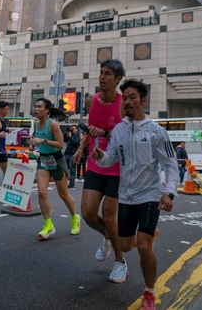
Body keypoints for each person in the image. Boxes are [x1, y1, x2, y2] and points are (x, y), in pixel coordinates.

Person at [90, 79, 179, 310]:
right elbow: (111, 159)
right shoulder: (119, 130)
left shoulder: (156, 132)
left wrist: (168, 192)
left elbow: (171, 165)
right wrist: (100, 156)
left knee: (143, 247)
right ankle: (150, 234)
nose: (127, 102)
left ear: (143, 101)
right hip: (126, 196)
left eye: (132, 97)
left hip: (149, 195)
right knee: (126, 246)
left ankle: (149, 293)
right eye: (125, 98)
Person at [72, 58, 128, 283]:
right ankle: (108, 236)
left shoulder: (124, 104)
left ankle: (120, 261)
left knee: (109, 215)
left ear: (118, 79)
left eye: (108, 74)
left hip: (117, 167)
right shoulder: (90, 101)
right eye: (101, 72)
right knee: (87, 212)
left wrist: (105, 132)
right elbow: (90, 131)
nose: (102, 77)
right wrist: (81, 148)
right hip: (95, 163)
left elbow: (127, 136)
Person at [28, 98, 80, 240]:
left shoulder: (53, 124)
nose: (36, 109)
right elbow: (37, 141)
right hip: (43, 160)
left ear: (47, 110)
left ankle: (75, 217)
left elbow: (60, 144)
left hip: (57, 160)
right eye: (35, 106)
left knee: (63, 194)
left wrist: (43, 140)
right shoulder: (36, 124)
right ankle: (48, 225)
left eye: (39, 107)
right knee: (41, 191)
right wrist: (33, 145)